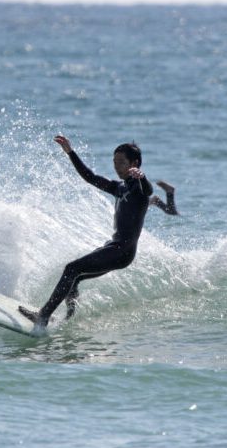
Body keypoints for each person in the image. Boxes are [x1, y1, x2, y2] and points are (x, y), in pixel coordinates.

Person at [19, 135, 153, 329]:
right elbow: (90, 177)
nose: (116, 166)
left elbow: (148, 191)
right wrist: (70, 153)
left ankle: (43, 316)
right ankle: (68, 321)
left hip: (123, 249)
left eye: (122, 163)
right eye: (114, 162)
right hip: (116, 248)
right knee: (74, 277)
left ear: (135, 163)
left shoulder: (139, 190)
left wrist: (143, 177)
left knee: (71, 269)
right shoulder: (120, 187)